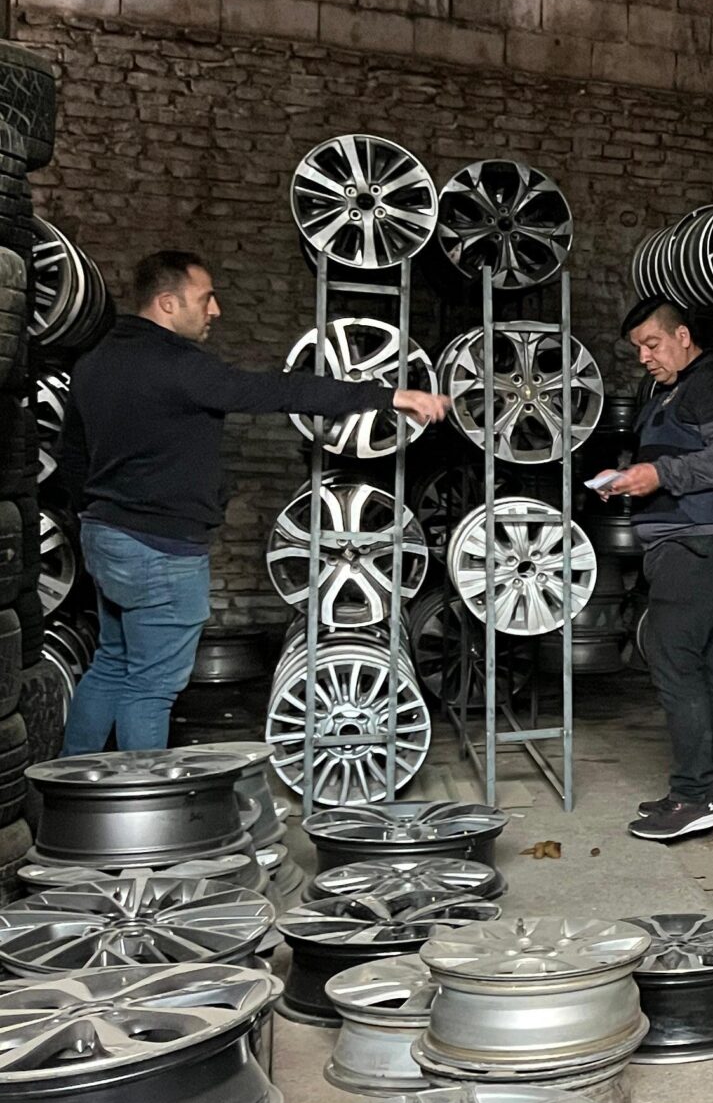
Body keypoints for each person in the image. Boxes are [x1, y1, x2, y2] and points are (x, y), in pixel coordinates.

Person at [56, 250, 451, 753]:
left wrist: (99, 516)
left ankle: (68, 785)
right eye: (205, 298)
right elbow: (277, 391)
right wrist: (388, 397)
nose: (215, 310)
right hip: (163, 550)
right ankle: (143, 802)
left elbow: (72, 458)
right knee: (150, 688)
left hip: (105, 538)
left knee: (111, 665)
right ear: (168, 303)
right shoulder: (181, 367)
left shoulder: (93, 364)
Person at [599, 297, 713, 841]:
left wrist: (660, 474)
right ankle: (707, 791)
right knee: (705, 665)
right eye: (637, 348)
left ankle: (693, 796)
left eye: (652, 344)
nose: (644, 357)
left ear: (683, 336)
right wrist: (630, 477)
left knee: (674, 663)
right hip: (685, 545)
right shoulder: (666, 393)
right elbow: (677, 457)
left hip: (701, 544)